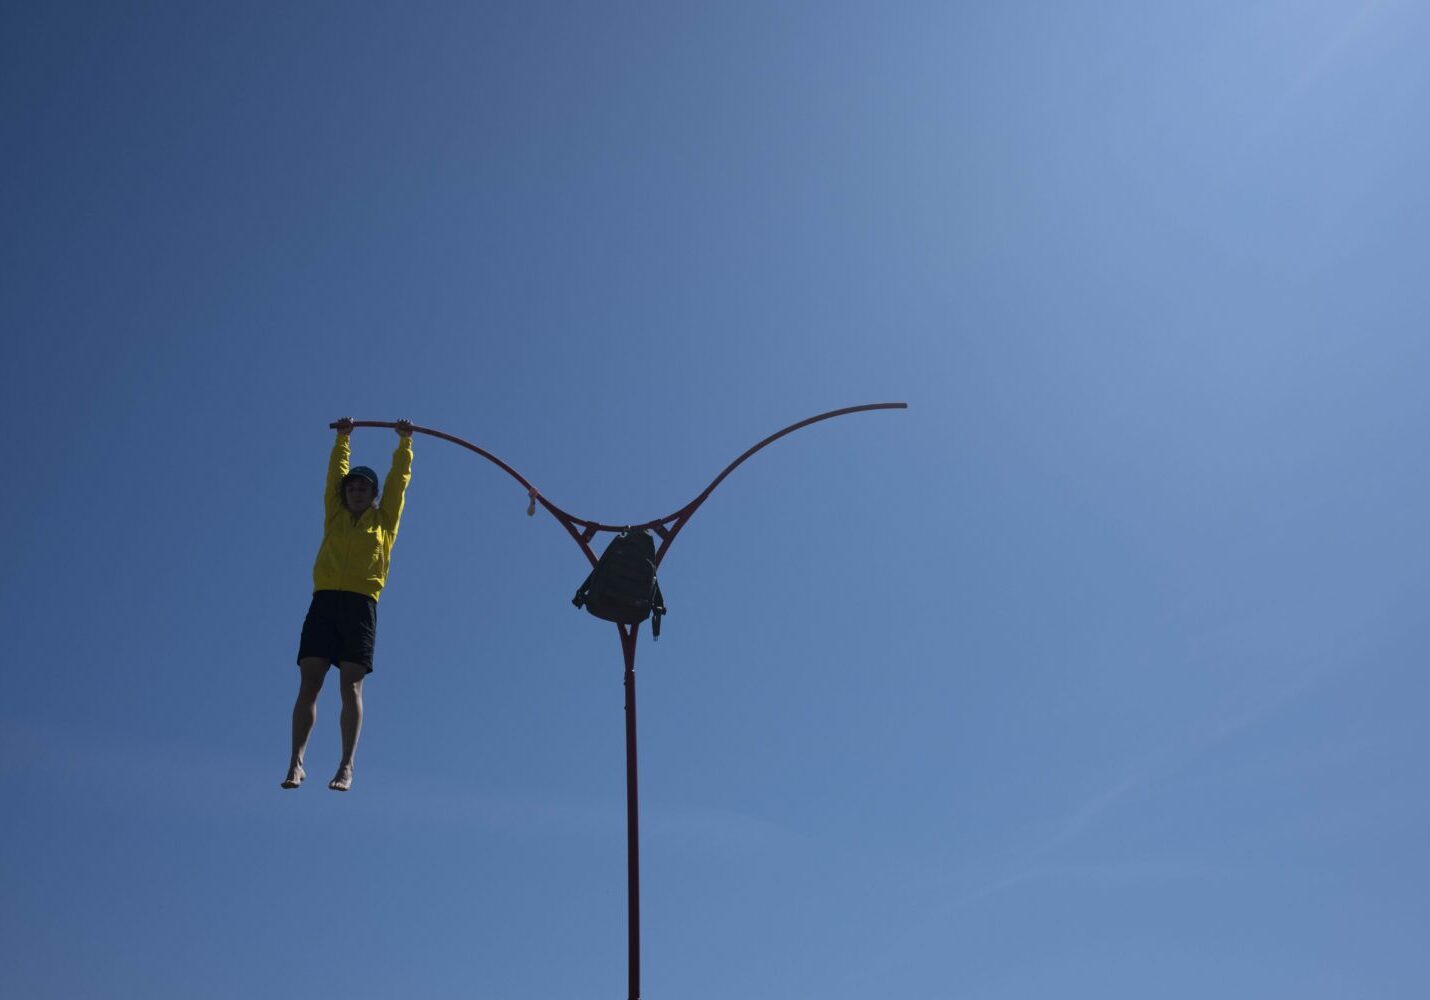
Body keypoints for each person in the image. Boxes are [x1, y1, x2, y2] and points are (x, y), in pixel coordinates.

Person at [283, 416, 414, 791]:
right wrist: (343, 439)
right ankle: (296, 761)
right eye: (351, 486)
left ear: (372, 494)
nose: (356, 490)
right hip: (324, 601)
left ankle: (346, 766)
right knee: (309, 682)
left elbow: (398, 484)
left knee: (350, 686)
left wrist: (404, 444)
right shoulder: (335, 516)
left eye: (363, 487)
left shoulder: (384, 521)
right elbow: (334, 474)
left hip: (360, 605)